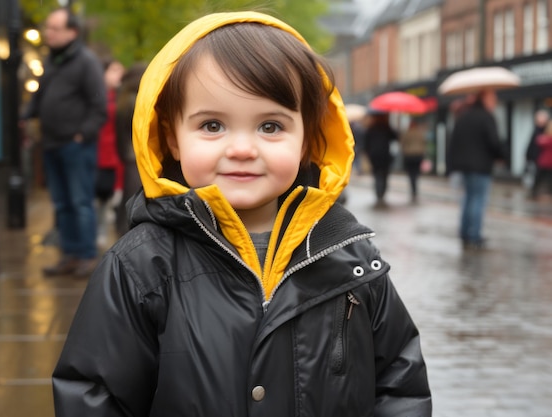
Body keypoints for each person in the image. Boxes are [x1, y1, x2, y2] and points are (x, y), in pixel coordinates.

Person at [52, 11, 431, 417]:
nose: (242, 149)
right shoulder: (140, 267)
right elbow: (94, 394)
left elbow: (399, 384)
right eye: (212, 125)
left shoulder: (352, 261)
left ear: (308, 140)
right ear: (171, 138)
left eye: (270, 127)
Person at [22, 7, 107, 277]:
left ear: (73, 32)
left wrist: (82, 134)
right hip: (51, 144)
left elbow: (99, 105)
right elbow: (40, 94)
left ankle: (86, 255)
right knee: (61, 203)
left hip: (75, 145)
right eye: (48, 27)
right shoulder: (52, 60)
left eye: (55, 28)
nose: (49, 33)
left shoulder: (86, 61)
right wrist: (27, 114)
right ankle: (69, 255)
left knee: (81, 201)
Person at [447, 89, 506, 250]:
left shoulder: (463, 116)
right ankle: (475, 235)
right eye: (493, 98)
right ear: (485, 98)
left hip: (464, 166)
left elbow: (453, 142)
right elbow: (494, 141)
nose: (495, 102)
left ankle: (465, 232)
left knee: (468, 198)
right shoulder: (486, 117)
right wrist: (502, 156)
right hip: (481, 166)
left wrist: (451, 165)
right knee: (478, 199)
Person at [114, 63, 147, 236]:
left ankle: (122, 229)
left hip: (128, 155)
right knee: (133, 197)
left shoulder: (124, 98)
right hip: (136, 155)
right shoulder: (137, 101)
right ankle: (128, 231)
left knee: (128, 196)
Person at [95, 59, 125, 247]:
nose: (118, 75)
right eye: (114, 70)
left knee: (116, 197)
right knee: (99, 197)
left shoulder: (122, 96)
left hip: (117, 154)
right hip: (99, 153)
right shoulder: (97, 96)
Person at [363, 111, 398, 207]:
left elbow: (366, 143)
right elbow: (395, 137)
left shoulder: (371, 128)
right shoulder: (386, 128)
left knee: (377, 174)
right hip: (385, 155)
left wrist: (368, 153)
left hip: (374, 156)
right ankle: (382, 193)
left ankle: (379, 193)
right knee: (384, 174)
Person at [399, 117, 428, 203]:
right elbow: (424, 143)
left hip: (409, 155)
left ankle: (413, 189)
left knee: (411, 173)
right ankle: (415, 190)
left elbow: (402, 143)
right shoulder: (420, 133)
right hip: (418, 155)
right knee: (416, 173)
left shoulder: (407, 133)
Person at [526, 109, 550, 198]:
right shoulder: (538, 130)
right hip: (539, 158)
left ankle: (535, 192)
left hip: (542, 159)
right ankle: (534, 192)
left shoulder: (543, 132)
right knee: (537, 176)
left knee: (539, 176)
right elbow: (532, 144)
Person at [531, 119, 552, 199]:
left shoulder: (545, 139)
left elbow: (539, 141)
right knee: (540, 178)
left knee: (538, 178)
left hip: (544, 161)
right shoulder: (546, 139)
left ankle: (534, 192)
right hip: (546, 162)